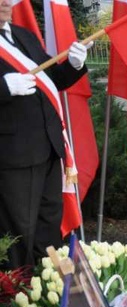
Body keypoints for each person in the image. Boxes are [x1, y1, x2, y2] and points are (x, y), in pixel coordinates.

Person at [0, 0, 91, 269]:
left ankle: (43, 296)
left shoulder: (23, 35)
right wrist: (3, 88)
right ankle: (14, 297)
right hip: (13, 157)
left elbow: (52, 80)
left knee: (47, 228)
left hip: (48, 149)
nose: (5, 2)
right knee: (18, 234)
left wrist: (74, 65)